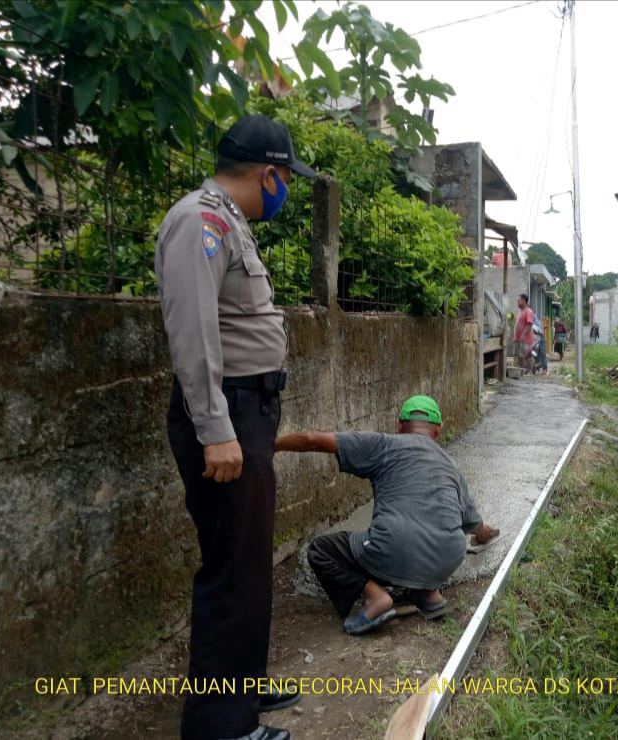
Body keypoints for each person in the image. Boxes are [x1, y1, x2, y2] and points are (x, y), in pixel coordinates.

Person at [156, 114, 315, 740]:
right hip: (226, 415)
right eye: (285, 179)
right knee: (231, 567)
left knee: (247, 561)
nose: (285, 190)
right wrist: (216, 429)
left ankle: (241, 685)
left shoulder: (228, 221)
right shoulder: (201, 221)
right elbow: (192, 333)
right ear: (268, 173)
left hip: (248, 412)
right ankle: (222, 726)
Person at [274, 396, 499, 635]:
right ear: (438, 431)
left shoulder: (384, 445)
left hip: (393, 547)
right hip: (448, 558)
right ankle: (428, 593)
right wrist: (488, 534)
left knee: (321, 550)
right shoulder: (451, 465)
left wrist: (273, 445)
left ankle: (376, 596)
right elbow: (477, 527)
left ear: (399, 426)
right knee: (418, 546)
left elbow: (312, 440)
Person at [513, 293, 536, 375]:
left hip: (526, 339)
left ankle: (530, 371)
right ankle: (522, 371)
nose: (517, 302)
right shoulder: (520, 311)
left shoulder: (528, 311)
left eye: (519, 300)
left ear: (524, 301)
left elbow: (529, 324)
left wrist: (523, 334)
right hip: (518, 338)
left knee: (527, 355)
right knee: (520, 355)